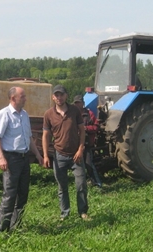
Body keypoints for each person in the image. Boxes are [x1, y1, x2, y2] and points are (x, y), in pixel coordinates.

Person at [0, 87, 44, 232]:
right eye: (22, 96)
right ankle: (2, 229)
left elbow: (29, 138)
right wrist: (1, 158)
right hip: (11, 159)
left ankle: (16, 225)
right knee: (9, 194)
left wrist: (38, 155)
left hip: (24, 158)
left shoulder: (24, 115)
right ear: (13, 98)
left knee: (23, 194)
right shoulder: (4, 114)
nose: (25, 99)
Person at [42, 85, 90, 221]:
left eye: (61, 95)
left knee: (81, 184)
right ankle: (65, 213)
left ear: (66, 96)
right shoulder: (48, 114)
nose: (59, 97)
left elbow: (82, 131)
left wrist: (80, 149)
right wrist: (46, 155)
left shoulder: (75, 111)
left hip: (76, 155)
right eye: (56, 95)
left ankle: (83, 212)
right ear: (53, 97)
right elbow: (45, 136)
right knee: (62, 186)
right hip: (59, 155)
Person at [73, 95, 103, 189]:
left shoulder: (89, 114)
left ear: (83, 104)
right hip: (74, 144)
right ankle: (81, 185)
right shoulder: (72, 114)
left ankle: (97, 184)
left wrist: (85, 129)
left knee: (89, 164)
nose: (78, 105)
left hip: (86, 144)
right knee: (77, 165)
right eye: (76, 103)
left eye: (79, 103)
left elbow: (96, 127)